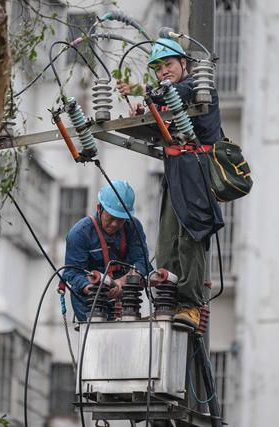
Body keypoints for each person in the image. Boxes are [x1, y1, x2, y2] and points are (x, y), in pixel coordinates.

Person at [117, 37, 224, 328]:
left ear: (184, 64)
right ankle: (167, 300)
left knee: (191, 237)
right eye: (159, 67)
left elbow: (177, 92)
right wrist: (143, 114)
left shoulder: (199, 90)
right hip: (175, 172)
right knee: (167, 242)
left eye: (169, 64)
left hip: (198, 172)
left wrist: (143, 91)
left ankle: (190, 305)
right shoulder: (168, 97)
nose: (164, 70)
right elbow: (161, 121)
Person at [62, 180, 150, 321]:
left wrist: (121, 283)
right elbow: (72, 273)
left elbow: (142, 262)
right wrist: (93, 289)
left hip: (125, 303)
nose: (115, 224)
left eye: (120, 220)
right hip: (90, 304)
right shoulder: (80, 234)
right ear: (99, 208)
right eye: (111, 218)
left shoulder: (133, 227)